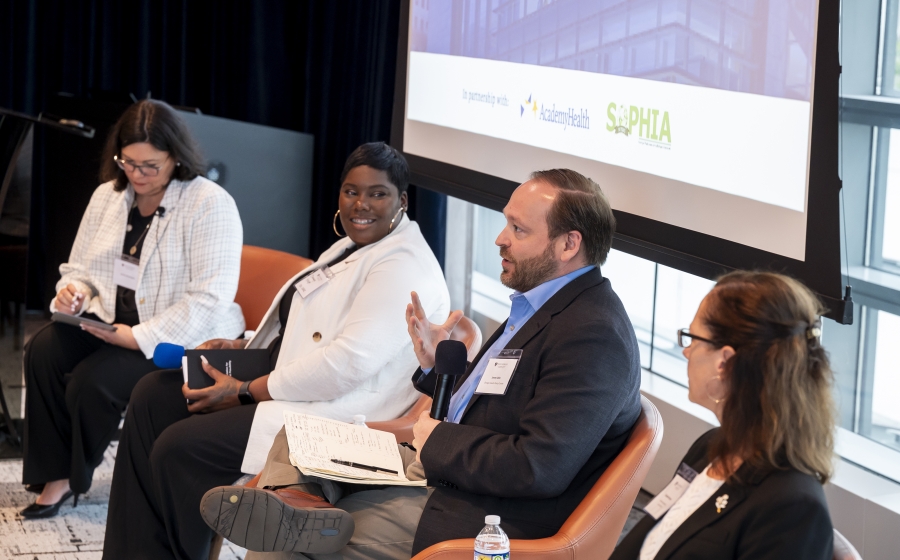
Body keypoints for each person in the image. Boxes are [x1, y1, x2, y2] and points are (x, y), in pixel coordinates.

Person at [204, 168, 643, 560]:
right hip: (445, 471)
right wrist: (438, 371)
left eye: (518, 229)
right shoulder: (543, 305)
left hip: (479, 515)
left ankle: (302, 517)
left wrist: (435, 441)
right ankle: (304, 507)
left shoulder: (593, 334)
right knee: (297, 437)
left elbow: (536, 466)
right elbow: (498, 403)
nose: (500, 238)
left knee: (284, 546)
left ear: (569, 244)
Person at [101, 142, 451, 560]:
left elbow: (346, 364)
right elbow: (308, 322)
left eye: (378, 193)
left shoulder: (403, 264)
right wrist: (243, 344)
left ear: (402, 200)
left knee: (180, 449)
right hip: (287, 376)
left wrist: (245, 389)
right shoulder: (354, 245)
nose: (361, 204)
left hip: (336, 408)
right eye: (351, 191)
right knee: (153, 395)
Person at [21, 99, 244, 518]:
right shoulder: (109, 195)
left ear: (175, 157)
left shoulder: (209, 203)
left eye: (150, 166)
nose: (137, 175)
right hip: (110, 322)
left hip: (176, 336)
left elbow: (210, 299)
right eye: (128, 162)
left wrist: (138, 336)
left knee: (93, 382)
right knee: (43, 350)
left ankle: (69, 477)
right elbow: (80, 268)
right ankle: (53, 471)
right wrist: (75, 292)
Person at [611, 271, 835, 559]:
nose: (686, 352)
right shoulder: (712, 446)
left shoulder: (792, 508)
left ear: (725, 362)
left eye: (693, 339)